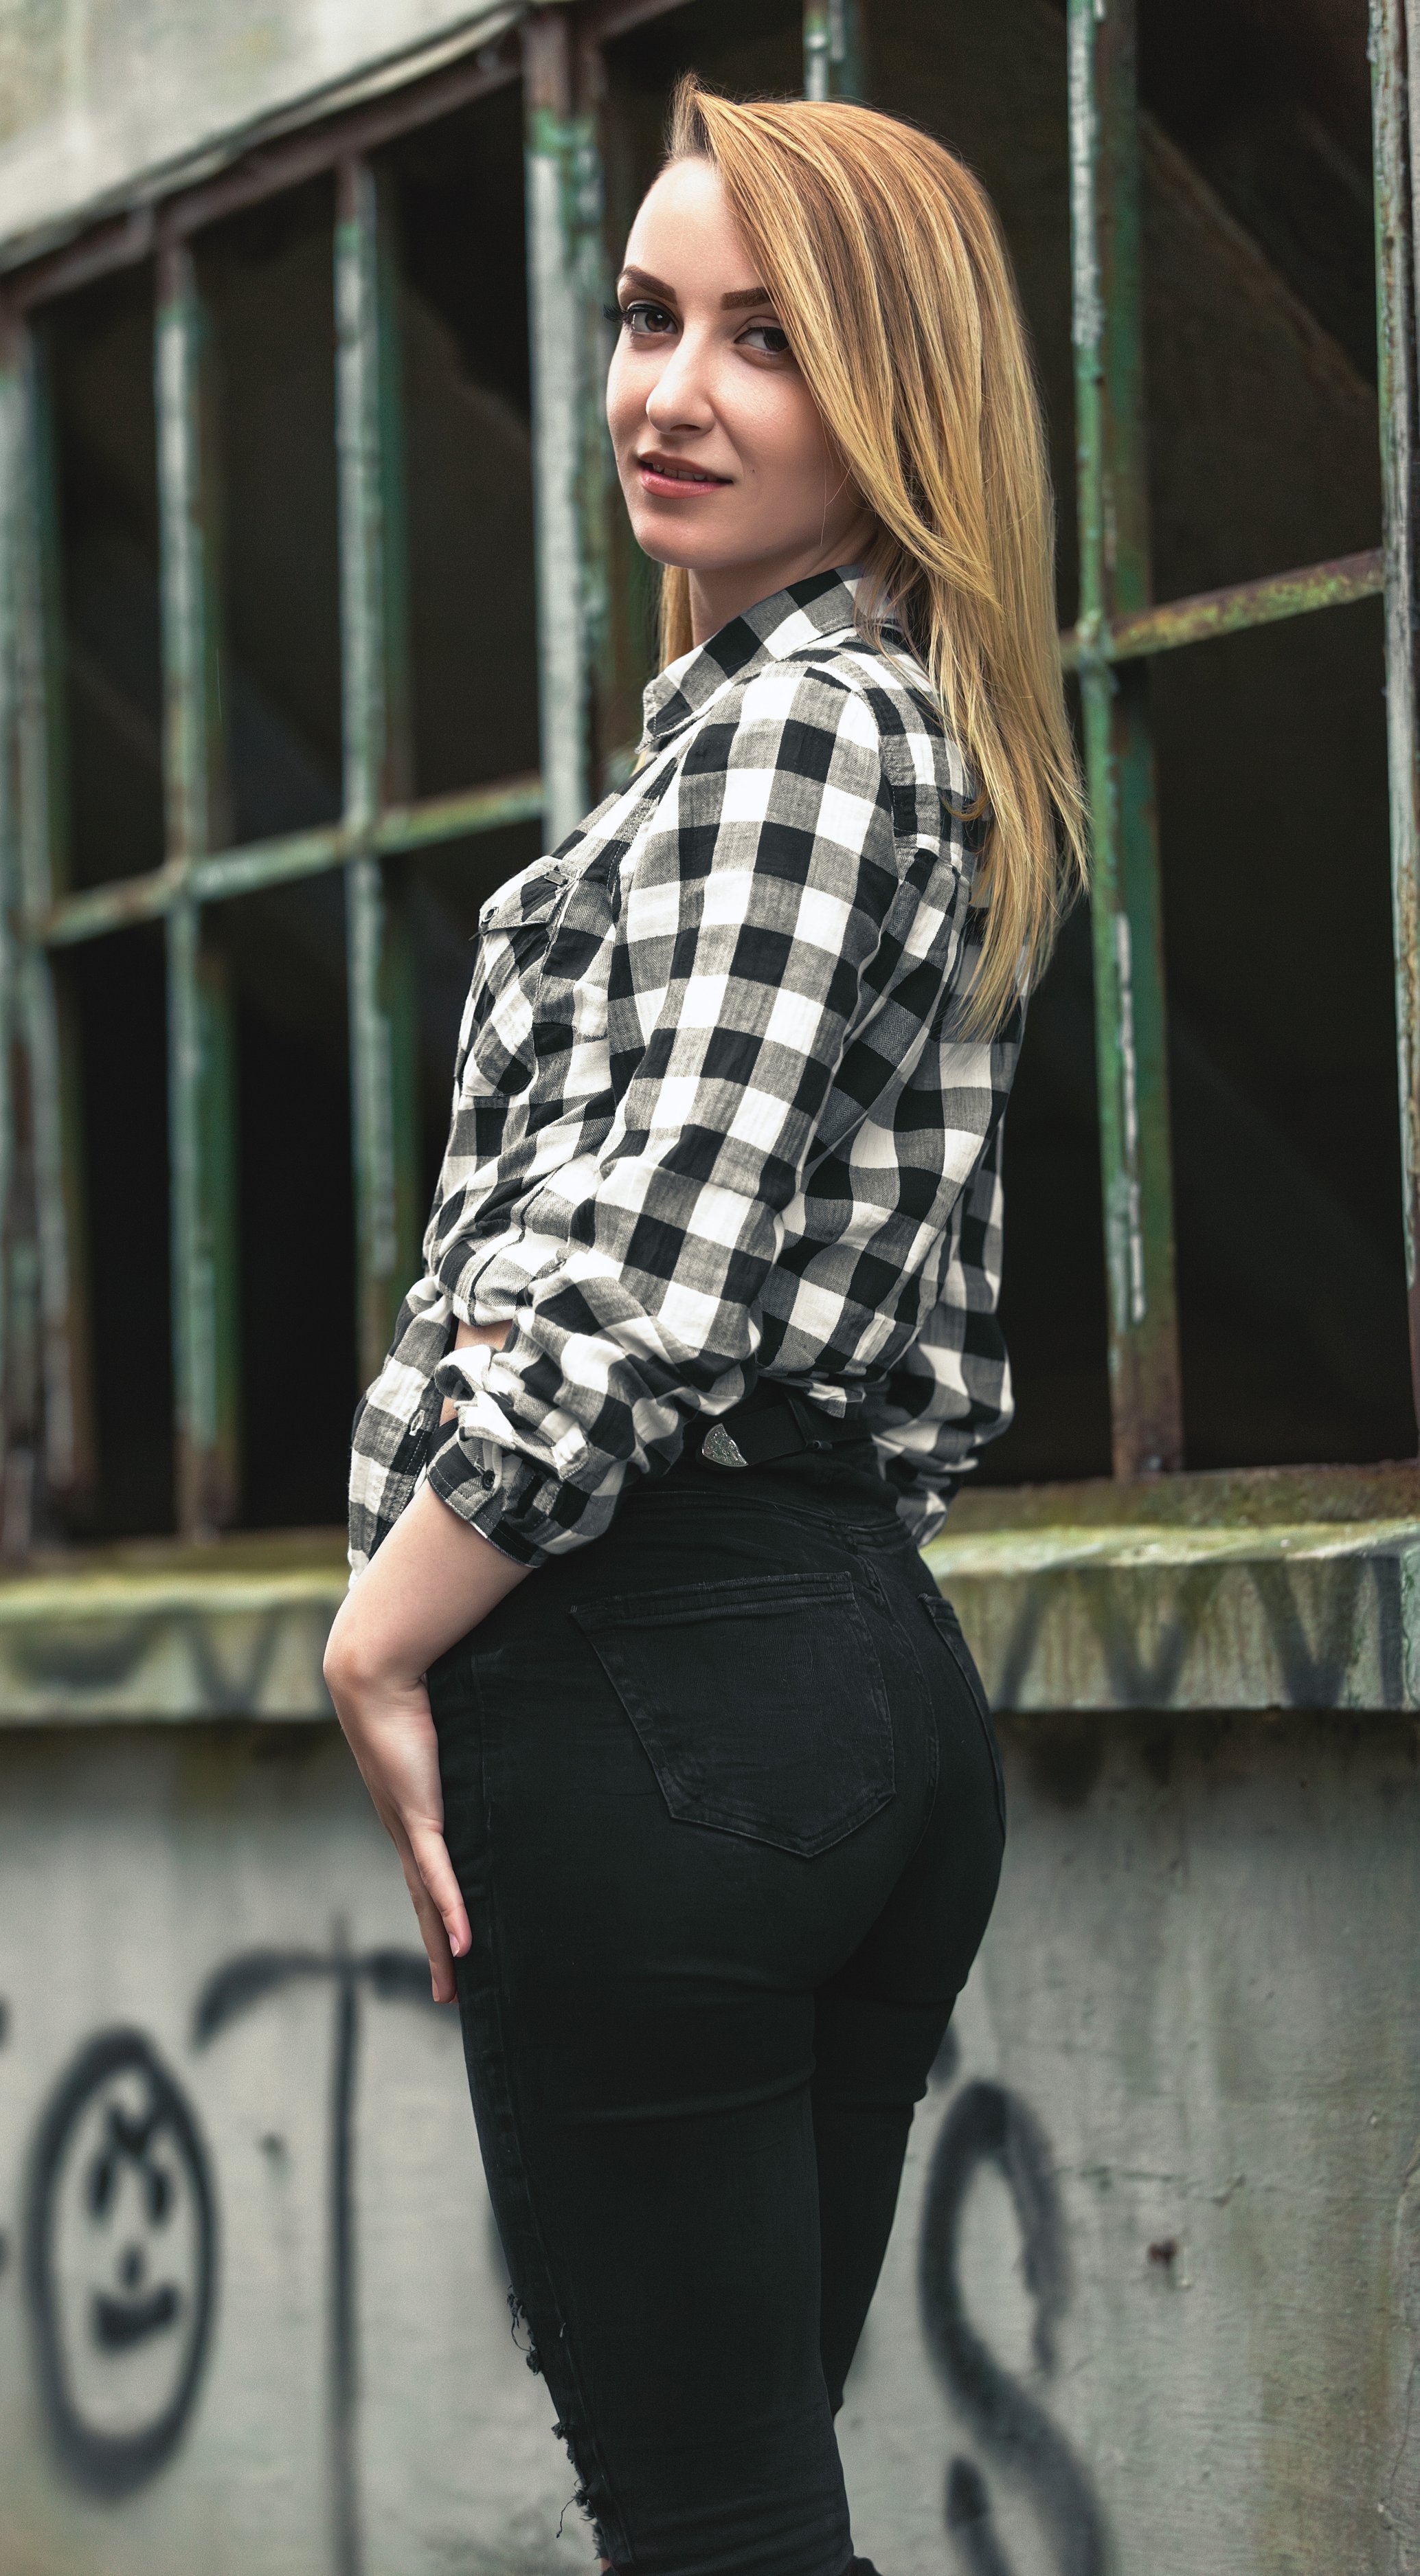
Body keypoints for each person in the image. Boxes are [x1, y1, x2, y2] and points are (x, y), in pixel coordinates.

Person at [324, 73, 1085, 2576]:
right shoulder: (901, 731)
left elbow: (659, 1253)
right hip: (855, 1689)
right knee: (758, 2503)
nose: (668, 389)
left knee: (710, 2523)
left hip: (665, 1675)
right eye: (650, 317)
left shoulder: (787, 735)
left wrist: (383, 1633)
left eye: (765, 344)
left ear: (896, 398)